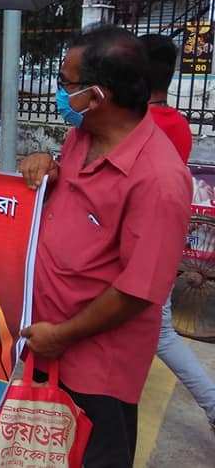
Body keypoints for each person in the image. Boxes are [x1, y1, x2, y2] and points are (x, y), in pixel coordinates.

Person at [20, 26, 193, 467]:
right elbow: (73, 196)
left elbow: (138, 291)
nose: (59, 91)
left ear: (97, 96)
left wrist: (60, 336)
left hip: (96, 367)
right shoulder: (83, 136)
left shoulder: (159, 179)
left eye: (66, 83)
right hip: (49, 345)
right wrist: (47, 167)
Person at [140, 34, 215, 431]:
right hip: (164, 240)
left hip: (145, 246)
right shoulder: (179, 123)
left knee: (161, 333)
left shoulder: (141, 125)